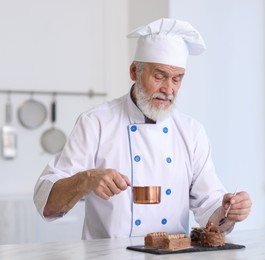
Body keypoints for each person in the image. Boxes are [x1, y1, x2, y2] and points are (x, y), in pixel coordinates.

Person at [33, 18, 252, 239]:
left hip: (172, 254)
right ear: (134, 72)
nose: (168, 89)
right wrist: (85, 180)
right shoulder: (96, 122)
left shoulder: (192, 131)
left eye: (177, 79)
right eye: (159, 76)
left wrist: (229, 211)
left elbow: (210, 210)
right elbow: (47, 203)